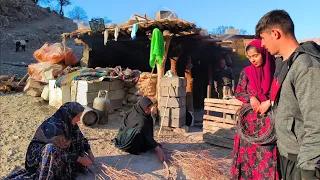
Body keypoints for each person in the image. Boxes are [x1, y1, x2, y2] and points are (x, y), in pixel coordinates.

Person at [256, 10, 320, 180]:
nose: (262, 44)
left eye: (263, 38)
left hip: (304, 161)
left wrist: (308, 170)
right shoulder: (285, 65)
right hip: (288, 155)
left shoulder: (306, 67)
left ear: (275, 33)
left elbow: (316, 123)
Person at [231, 39, 280, 179]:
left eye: (256, 55)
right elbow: (239, 92)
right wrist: (251, 97)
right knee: (247, 159)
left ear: (263, 52)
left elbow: (282, 93)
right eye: (250, 57)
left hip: (268, 126)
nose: (253, 59)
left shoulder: (276, 71)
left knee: (267, 156)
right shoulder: (246, 72)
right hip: (248, 126)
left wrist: (269, 102)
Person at [7, 102, 94, 180]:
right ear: (70, 115)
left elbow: (81, 138)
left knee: (77, 152)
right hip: (40, 158)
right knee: (51, 149)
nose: (79, 119)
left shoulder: (68, 122)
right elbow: (59, 153)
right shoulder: (53, 128)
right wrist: (79, 159)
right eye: (77, 116)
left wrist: (89, 152)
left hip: (59, 152)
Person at [113, 97, 165, 163]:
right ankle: (136, 148)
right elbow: (145, 133)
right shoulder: (141, 119)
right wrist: (158, 149)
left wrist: (154, 144)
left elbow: (147, 132)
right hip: (128, 142)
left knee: (147, 123)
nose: (149, 110)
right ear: (142, 107)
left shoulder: (136, 110)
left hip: (123, 136)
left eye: (150, 108)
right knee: (140, 132)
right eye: (147, 108)